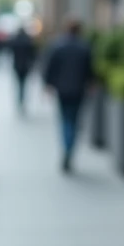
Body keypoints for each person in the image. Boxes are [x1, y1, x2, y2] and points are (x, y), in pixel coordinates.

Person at [42, 18, 93, 173]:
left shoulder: (58, 46)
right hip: (78, 89)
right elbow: (89, 70)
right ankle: (70, 148)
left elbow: (50, 67)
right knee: (74, 120)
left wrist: (48, 84)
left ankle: (67, 147)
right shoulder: (84, 47)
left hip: (62, 90)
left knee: (65, 120)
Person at [9, 26, 37, 114]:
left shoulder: (15, 40)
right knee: (23, 83)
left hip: (17, 65)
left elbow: (11, 50)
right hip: (25, 65)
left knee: (19, 83)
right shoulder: (28, 40)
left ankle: (20, 99)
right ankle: (22, 99)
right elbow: (32, 53)